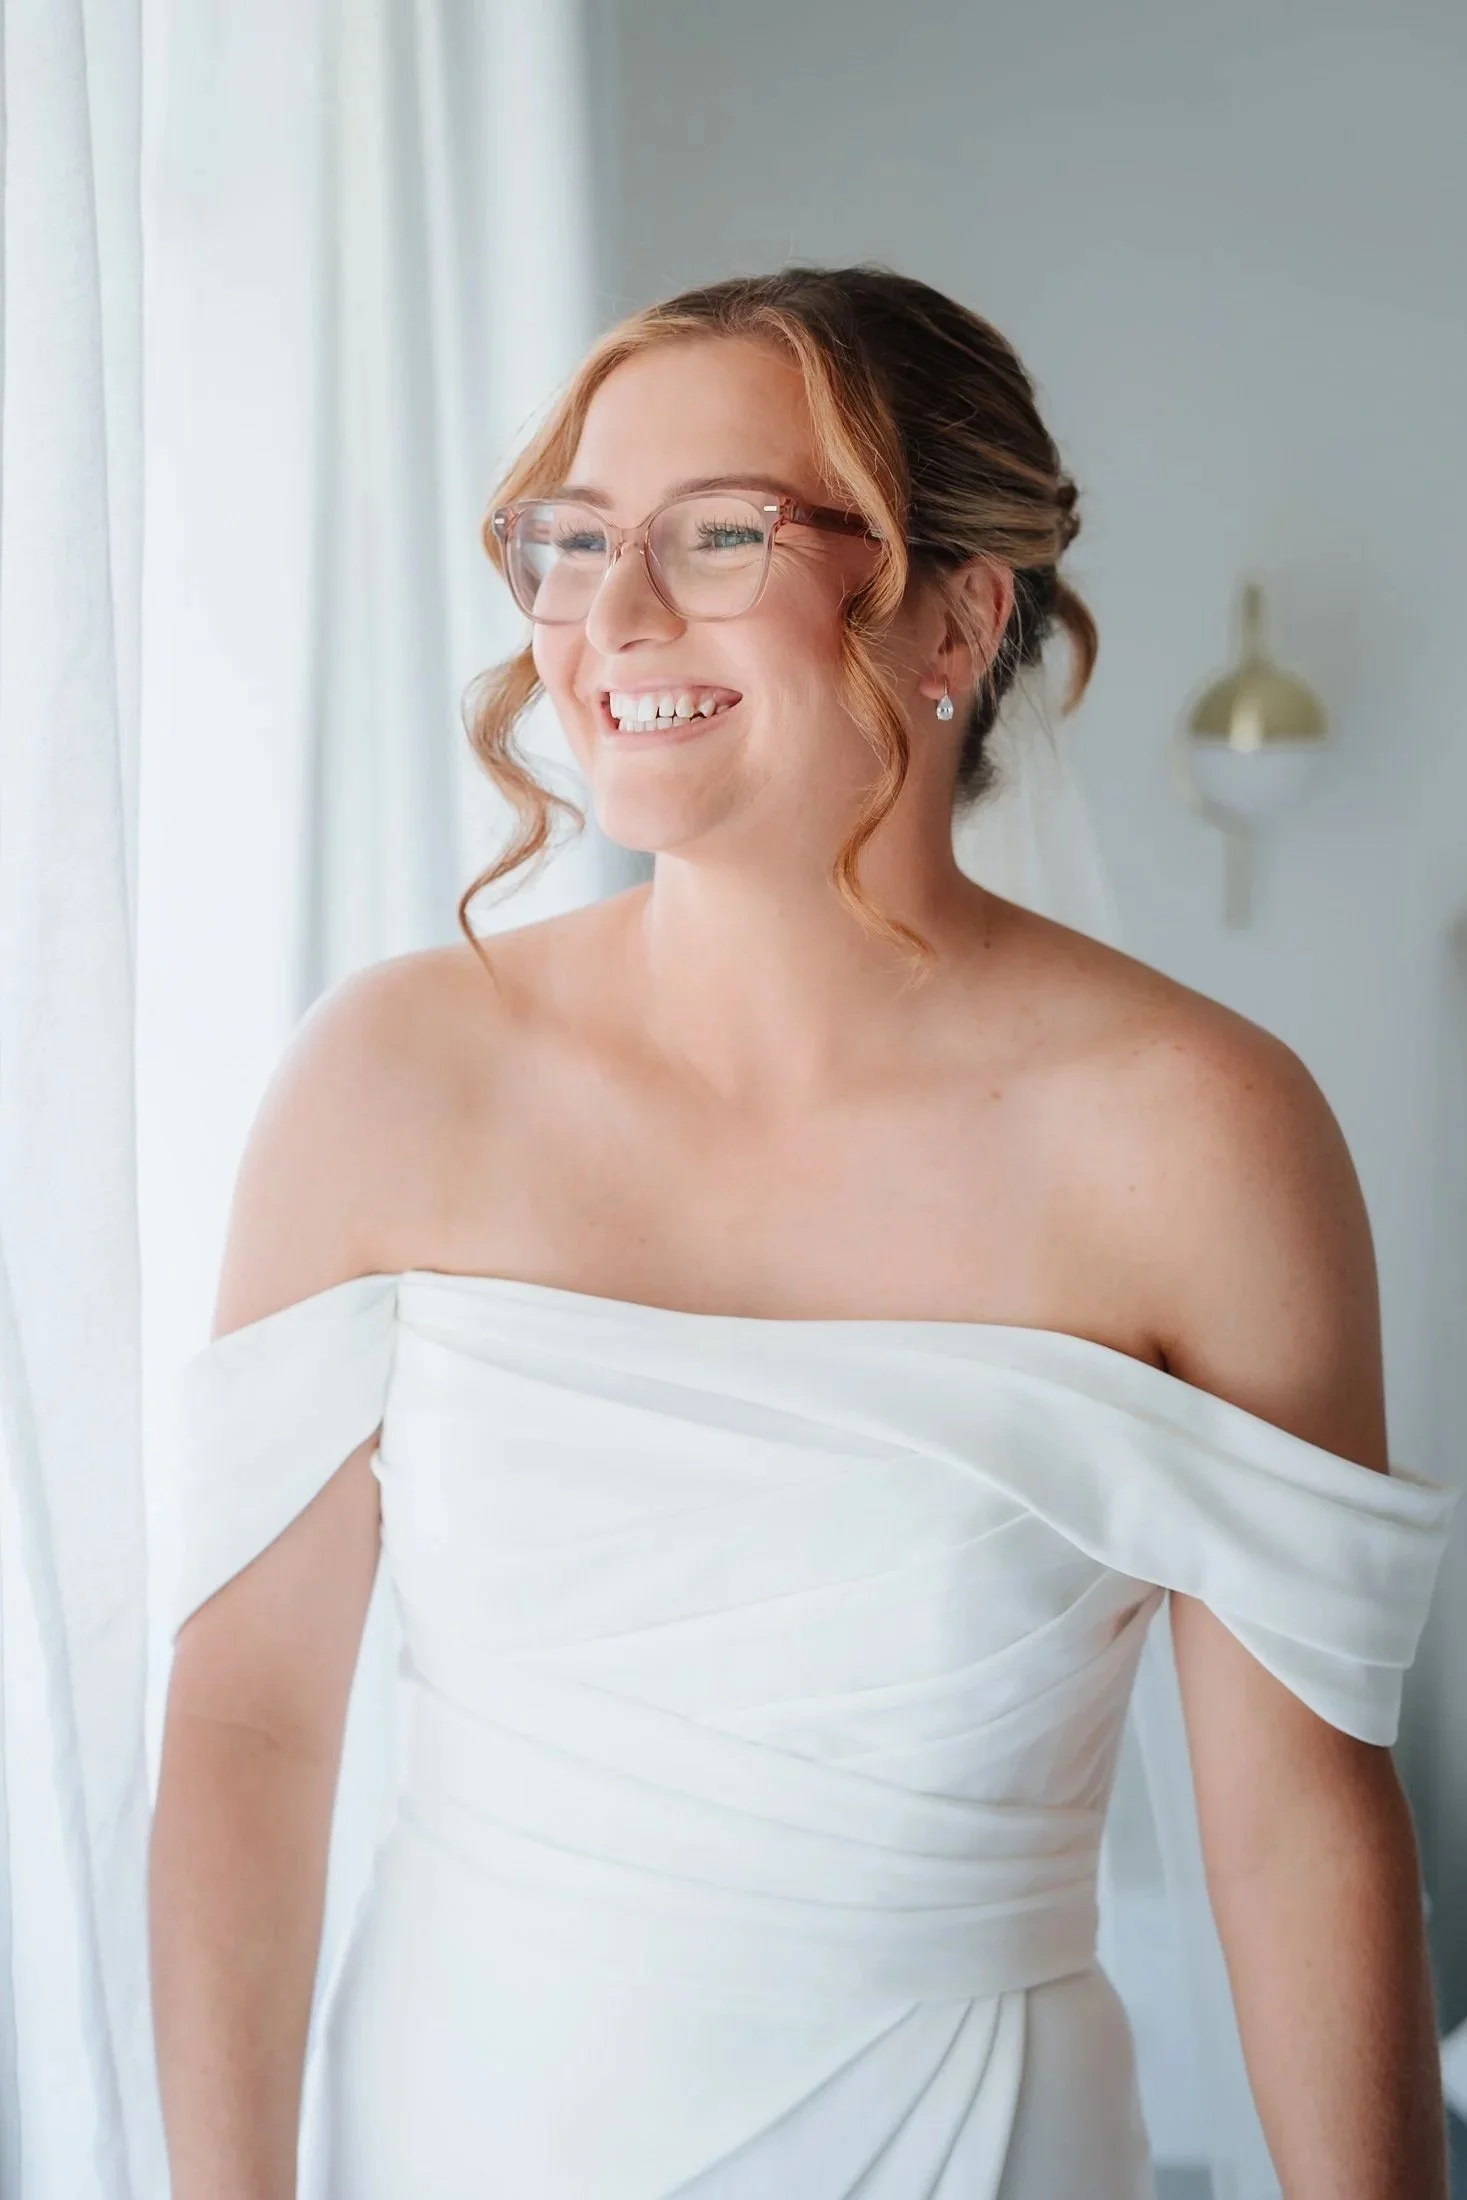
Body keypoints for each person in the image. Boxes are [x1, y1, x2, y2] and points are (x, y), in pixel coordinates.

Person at [148, 265, 1458, 2200]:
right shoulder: (389, 1079)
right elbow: (250, 1731)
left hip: (972, 2142)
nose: (610, 617)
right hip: (451, 2129)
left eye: (716, 535)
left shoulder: (1200, 1136)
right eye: (574, 539)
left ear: (956, 617)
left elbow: (1293, 1821)